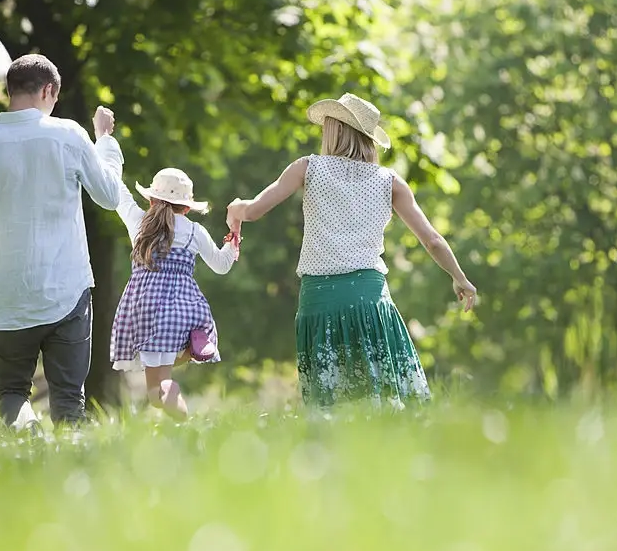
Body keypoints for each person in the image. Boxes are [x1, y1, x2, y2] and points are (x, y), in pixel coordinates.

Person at [226, 92, 477, 408]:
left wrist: (236, 210)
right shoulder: (390, 182)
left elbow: (254, 210)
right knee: (382, 401)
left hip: (320, 299)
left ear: (335, 129)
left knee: (332, 406)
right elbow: (432, 240)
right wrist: (459, 277)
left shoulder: (307, 168)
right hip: (369, 300)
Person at [0, 53, 125, 430]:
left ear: (9, 91)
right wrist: (105, 140)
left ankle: (30, 443)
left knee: (10, 393)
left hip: (2, 294)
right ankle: (69, 474)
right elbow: (109, 195)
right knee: (69, 396)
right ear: (49, 90)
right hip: (64, 289)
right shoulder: (69, 135)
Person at [110, 168, 239, 420]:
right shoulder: (194, 231)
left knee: (156, 394)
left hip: (145, 310)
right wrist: (233, 239)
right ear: (187, 208)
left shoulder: (139, 223)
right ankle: (191, 348)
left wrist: (104, 143)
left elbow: (118, 192)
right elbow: (222, 266)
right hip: (182, 310)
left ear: (151, 200)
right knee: (161, 383)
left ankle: (184, 418)